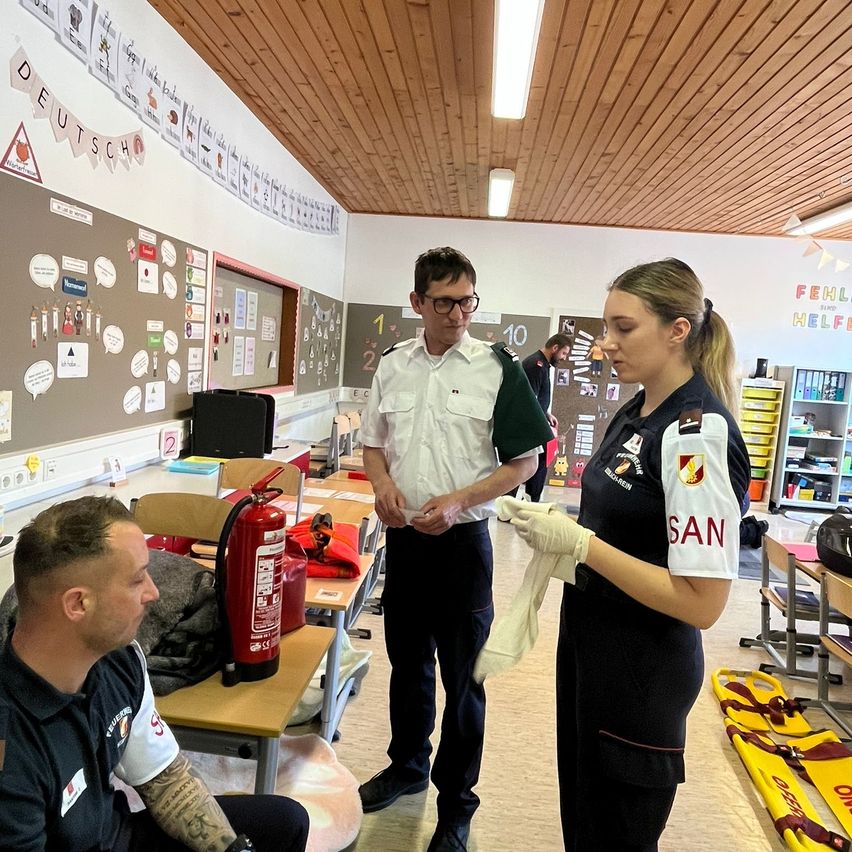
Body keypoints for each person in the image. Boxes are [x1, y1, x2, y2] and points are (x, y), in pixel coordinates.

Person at [510, 258, 750, 851]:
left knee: (615, 838)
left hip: (643, 673)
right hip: (591, 649)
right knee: (583, 826)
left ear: (678, 330)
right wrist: (559, 535)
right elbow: (620, 529)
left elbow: (702, 603)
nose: (606, 344)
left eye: (624, 328)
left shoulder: (695, 438)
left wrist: (585, 546)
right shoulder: (635, 410)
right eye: (606, 327)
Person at [358, 246, 552, 851]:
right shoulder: (393, 365)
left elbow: (525, 461)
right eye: (444, 301)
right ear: (417, 302)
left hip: (465, 546)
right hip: (405, 542)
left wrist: (460, 501)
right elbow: (372, 444)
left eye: (467, 299)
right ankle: (408, 766)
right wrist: (384, 485)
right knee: (407, 666)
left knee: (465, 679)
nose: (458, 313)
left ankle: (457, 805)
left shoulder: (497, 368)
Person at [0, 495, 309, 852]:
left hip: (116, 837)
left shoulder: (119, 660)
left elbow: (168, 780)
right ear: (78, 603)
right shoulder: (12, 747)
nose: (153, 592)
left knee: (285, 822)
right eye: (136, 580)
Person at [508, 332, 572, 503]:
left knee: (532, 462)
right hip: (528, 425)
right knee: (530, 462)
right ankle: (524, 502)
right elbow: (529, 400)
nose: (564, 358)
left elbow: (534, 397)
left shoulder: (542, 364)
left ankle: (526, 500)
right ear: (555, 348)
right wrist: (541, 425)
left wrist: (546, 414)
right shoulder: (535, 365)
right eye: (564, 353)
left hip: (534, 421)